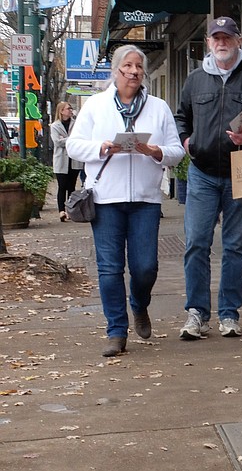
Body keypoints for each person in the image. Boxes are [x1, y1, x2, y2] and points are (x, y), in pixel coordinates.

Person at [66, 45, 184, 357]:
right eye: (127, 66)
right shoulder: (95, 106)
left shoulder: (158, 107)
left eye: (138, 67)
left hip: (145, 199)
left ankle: (139, 304)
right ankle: (116, 331)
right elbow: (74, 146)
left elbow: (176, 150)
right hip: (105, 198)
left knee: (145, 266)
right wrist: (102, 148)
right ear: (116, 71)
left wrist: (156, 151)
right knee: (109, 268)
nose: (133, 71)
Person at [175, 16, 242, 340]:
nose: (221, 42)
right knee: (196, 243)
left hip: (241, 169)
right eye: (215, 37)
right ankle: (197, 314)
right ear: (208, 43)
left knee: (235, 246)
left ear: (238, 41)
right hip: (203, 174)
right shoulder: (195, 80)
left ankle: (229, 314)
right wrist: (186, 141)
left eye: (227, 37)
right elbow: (182, 116)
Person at [50, 101, 84, 222]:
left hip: (74, 160)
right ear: (61, 111)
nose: (71, 110)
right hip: (61, 160)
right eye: (68, 108)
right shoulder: (55, 126)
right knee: (62, 186)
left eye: (71, 108)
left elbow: (80, 139)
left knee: (72, 186)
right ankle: (61, 211)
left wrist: (65, 139)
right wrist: (71, 140)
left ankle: (70, 210)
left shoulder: (76, 124)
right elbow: (57, 142)